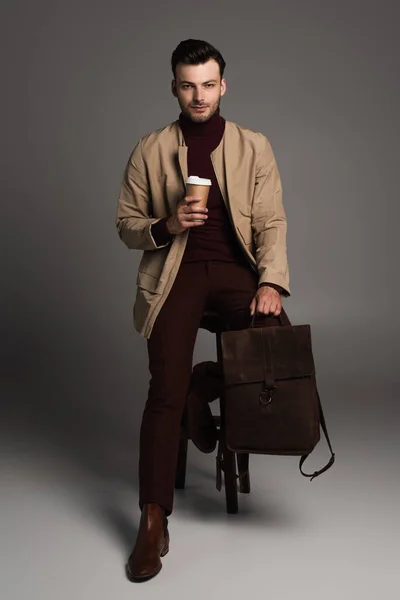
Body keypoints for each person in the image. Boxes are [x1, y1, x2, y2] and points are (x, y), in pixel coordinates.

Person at [115, 39, 291, 582]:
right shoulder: (150, 149)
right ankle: (152, 518)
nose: (199, 95)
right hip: (176, 273)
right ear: (174, 86)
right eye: (188, 85)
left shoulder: (252, 145)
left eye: (208, 84)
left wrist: (271, 282)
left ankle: (203, 388)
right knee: (163, 389)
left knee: (278, 350)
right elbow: (126, 226)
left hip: (237, 273)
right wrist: (168, 225)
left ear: (223, 85)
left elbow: (272, 222)